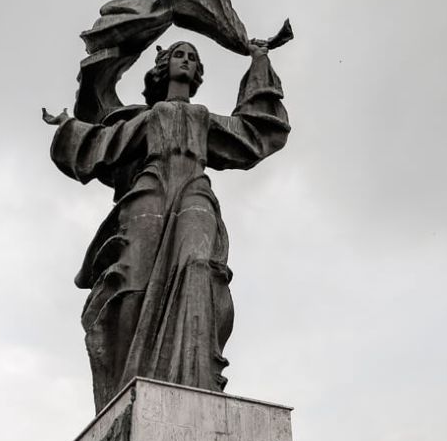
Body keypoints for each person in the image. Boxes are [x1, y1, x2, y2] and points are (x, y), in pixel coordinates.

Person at [44, 38, 289, 412]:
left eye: (192, 57)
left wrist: (259, 61)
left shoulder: (202, 117)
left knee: (198, 266)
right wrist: (68, 126)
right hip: (151, 190)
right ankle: (127, 381)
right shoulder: (150, 116)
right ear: (164, 66)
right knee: (130, 283)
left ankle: (195, 379)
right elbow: (105, 142)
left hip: (194, 189)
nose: (186, 61)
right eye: (179, 55)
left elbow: (253, 134)